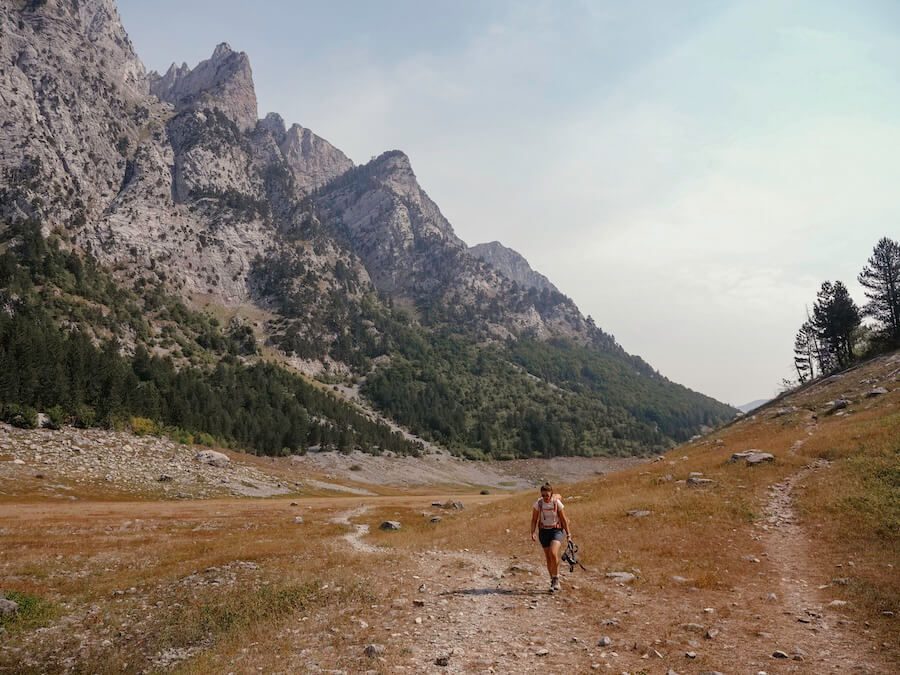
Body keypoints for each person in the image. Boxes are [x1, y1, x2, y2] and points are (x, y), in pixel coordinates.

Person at [530, 482, 571, 593]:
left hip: (556, 530)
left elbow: (563, 519)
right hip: (543, 531)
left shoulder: (557, 503)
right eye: (543, 495)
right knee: (548, 557)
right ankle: (552, 580)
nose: (545, 498)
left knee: (553, 553)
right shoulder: (538, 504)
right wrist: (533, 532)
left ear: (551, 494)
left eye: (547, 495)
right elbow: (534, 520)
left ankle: (556, 578)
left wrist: (568, 534)